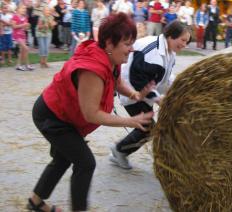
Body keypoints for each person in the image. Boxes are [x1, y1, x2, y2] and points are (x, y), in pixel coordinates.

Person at [26, 13, 154, 212]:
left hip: (65, 116)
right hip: (52, 115)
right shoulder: (92, 71)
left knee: (63, 158)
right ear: (110, 43)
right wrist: (129, 121)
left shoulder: (112, 57)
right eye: (127, 44)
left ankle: (35, 203)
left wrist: (135, 94)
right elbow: (92, 114)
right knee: (85, 163)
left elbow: (117, 82)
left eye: (132, 43)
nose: (132, 49)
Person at [109, 20, 191, 169]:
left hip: (145, 93)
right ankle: (119, 150)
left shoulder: (169, 51)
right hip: (133, 93)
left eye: (187, 41)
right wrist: (158, 98)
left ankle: (120, 149)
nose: (185, 45)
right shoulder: (154, 51)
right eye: (183, 40)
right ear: (171, 36)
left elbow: (165, 76)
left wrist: (178, 86)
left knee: (147, 128)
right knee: (147, 127)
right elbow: (138, 80)